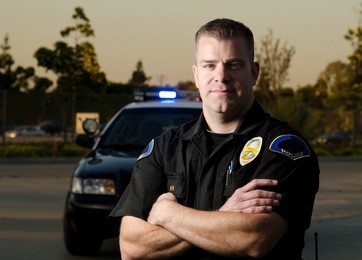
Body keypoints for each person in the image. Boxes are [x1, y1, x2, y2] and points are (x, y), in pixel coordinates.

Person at [109, 18, 319, 259]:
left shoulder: (284, 148)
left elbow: (252, 239)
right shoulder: (165, 148)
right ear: (196, 75)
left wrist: (168, 214)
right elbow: (132, 247)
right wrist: (223, 214)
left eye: (234, 65)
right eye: (210, 65)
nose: (222, 76)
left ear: (253, 73)